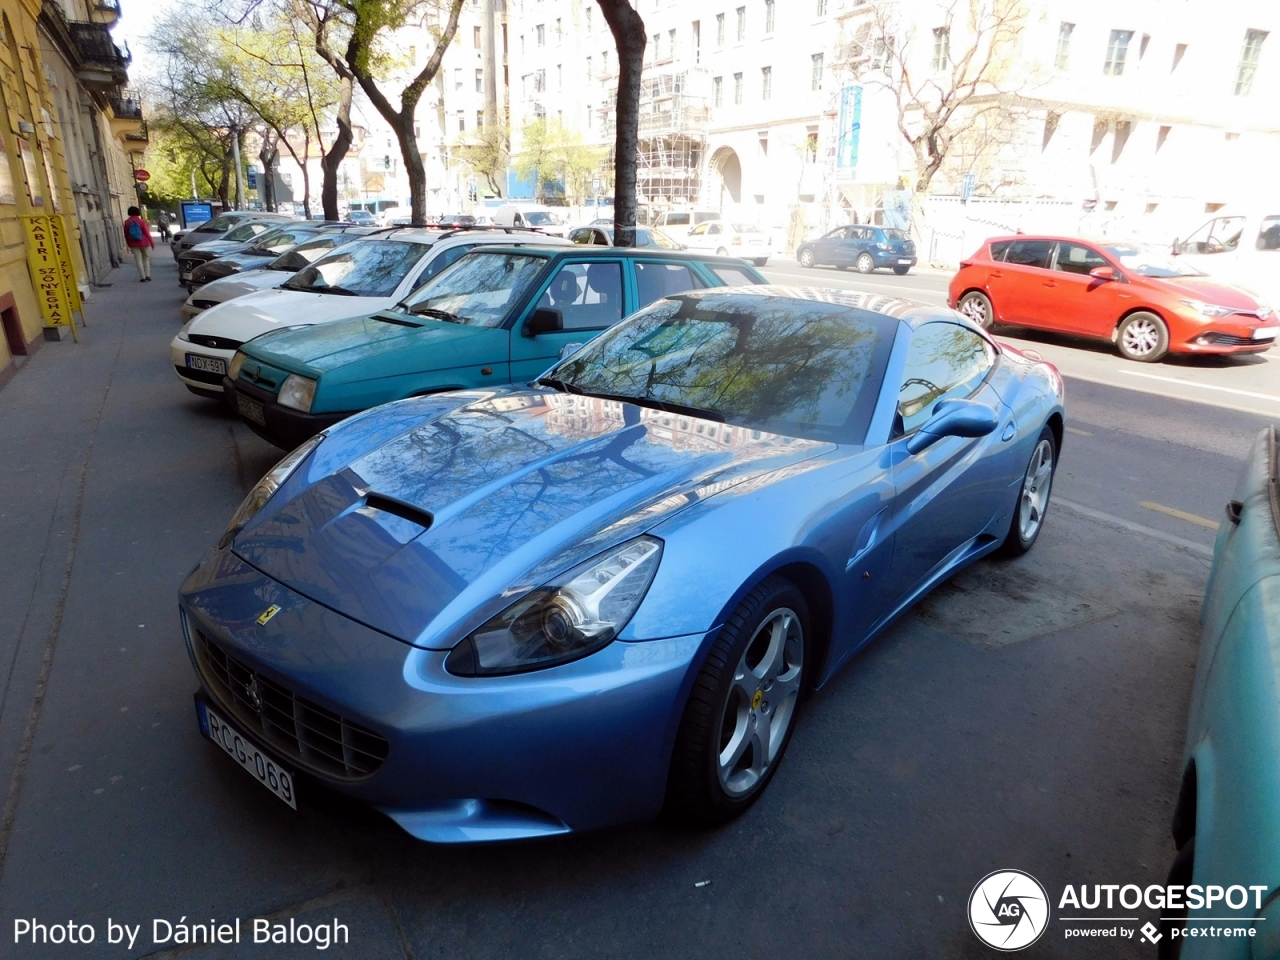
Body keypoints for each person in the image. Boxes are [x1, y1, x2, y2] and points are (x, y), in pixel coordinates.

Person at [123, 205, 154, 281]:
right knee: (146, 258)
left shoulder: (127, 222)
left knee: (138, 260)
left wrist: (128, 244)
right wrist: (152, 243)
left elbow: (126, 234)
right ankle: (148, 275)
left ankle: (142, 277)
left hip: (133, 243)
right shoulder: (141, 222)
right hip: (143, 242)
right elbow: (147, 233)